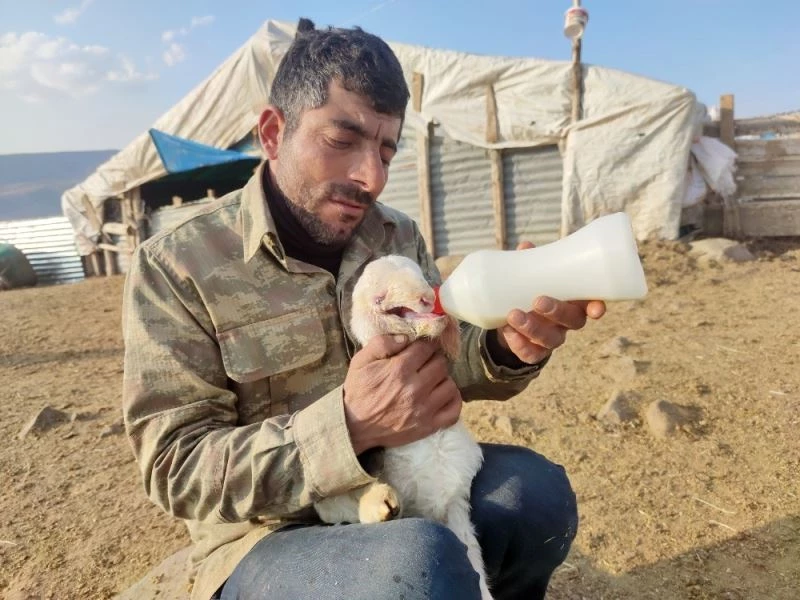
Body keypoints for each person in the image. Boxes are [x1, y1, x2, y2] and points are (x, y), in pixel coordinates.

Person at [121, 19, 605, 600]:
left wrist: (506, 346)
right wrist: (349, 427)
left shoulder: (397, 237)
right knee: (417, 563)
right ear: (274, 132)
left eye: (385, 148)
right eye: (342, 140)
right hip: (265, 538)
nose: (369, 176)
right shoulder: (177, 264)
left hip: (403, 485)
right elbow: (176, 466)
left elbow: (441, 364)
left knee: (535, 496)